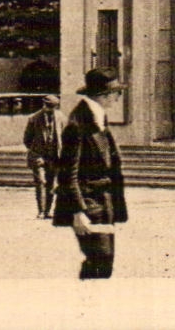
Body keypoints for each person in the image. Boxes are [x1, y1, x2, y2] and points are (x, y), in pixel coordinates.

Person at [52, 70, 128, 279]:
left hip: (103, 203)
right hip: (89, 204)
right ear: (103, 95)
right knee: (100, 259)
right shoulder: (79, 124)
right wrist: (78, 212)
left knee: (103, 261)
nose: (117, 97)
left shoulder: (98, 118)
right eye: (115, 93)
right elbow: (68, 172)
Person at [23, 95, 63, 218]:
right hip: (39, 156)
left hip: (54, 156)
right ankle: (41, 211)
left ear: (56, 107)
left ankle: (48, 211)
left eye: (52, 107)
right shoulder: (34, 118)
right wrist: (36, 151)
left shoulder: (62, 118)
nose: (49, 109)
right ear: (43, 105)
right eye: (47, 106)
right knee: (41, 182)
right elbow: (27, 140)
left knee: (51, 183)